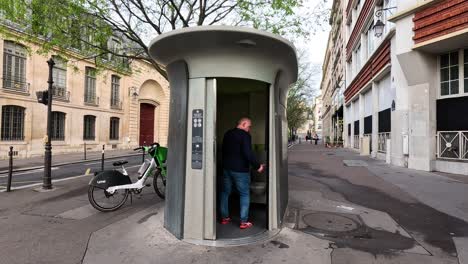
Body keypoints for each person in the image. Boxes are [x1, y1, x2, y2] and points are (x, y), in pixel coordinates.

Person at [220, 117, 266, 229]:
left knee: (225, 192)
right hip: (240, 170)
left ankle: (225, 218)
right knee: (244, 194)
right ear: (244, 124)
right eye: (249, 126)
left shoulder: (228, 134)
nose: (249, 129)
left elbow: (223, 150)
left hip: (227, 168)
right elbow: (247, 153)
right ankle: (243, 222)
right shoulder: (245, 135)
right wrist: (258, 166)